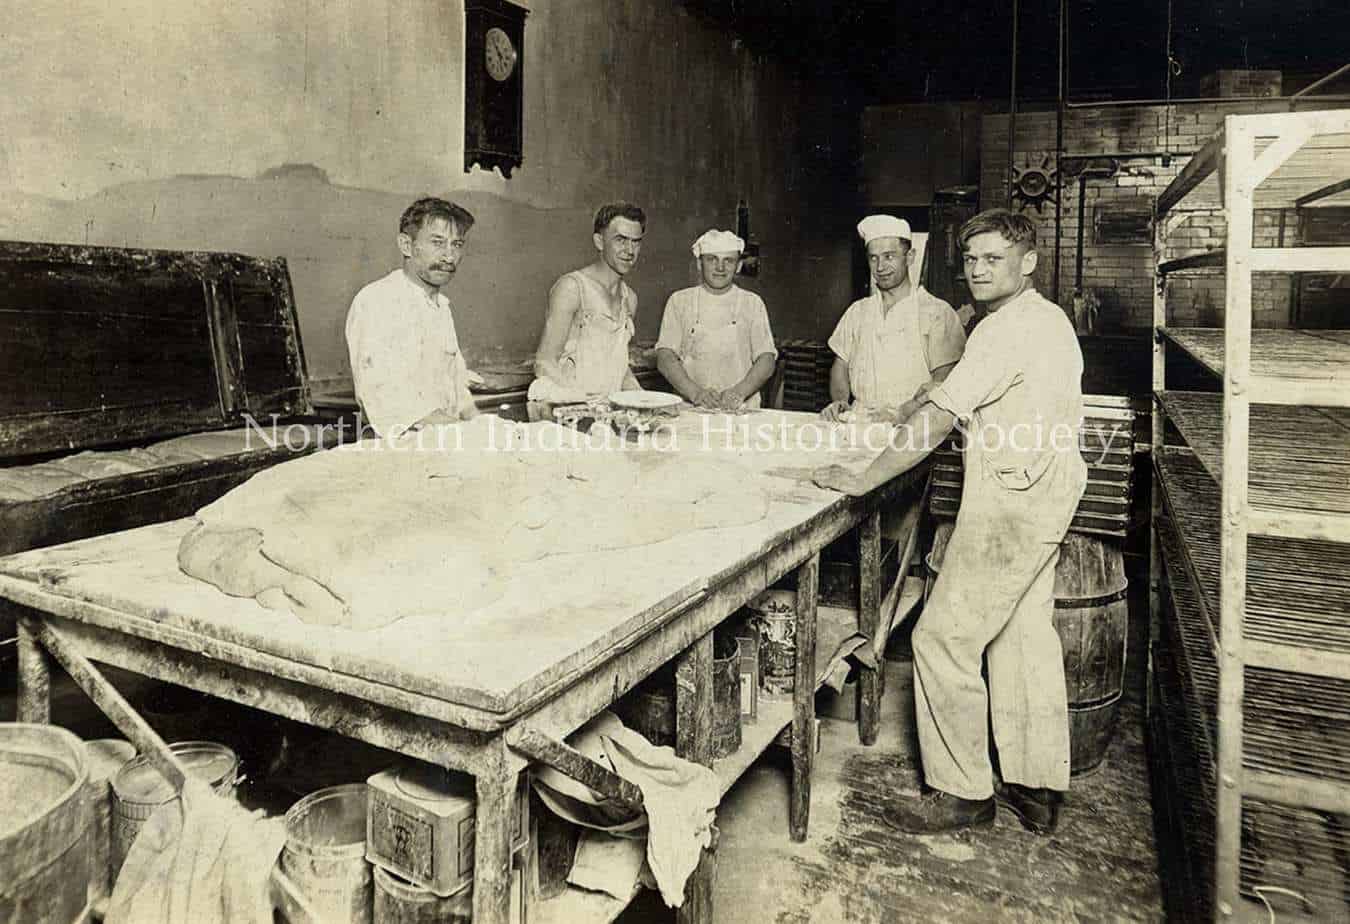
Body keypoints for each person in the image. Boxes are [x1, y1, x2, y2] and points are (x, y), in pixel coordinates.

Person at [812, 209, 1087, 836]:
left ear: (1028, 262)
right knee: (1020, 636)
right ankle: (1036, 785)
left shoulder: (1002, 331)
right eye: (972, 260)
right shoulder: (1048, 320)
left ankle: (963, 792)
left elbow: (935, 420)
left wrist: (860, 479)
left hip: (1013, 500)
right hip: (1045, 490)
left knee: (941, 639)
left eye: (995, 259)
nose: (981, 271)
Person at [345, 197, 479, 439]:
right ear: (406, 245)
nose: (449, 256)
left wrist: (488, 430)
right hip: (403, 448)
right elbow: (388, 402)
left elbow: (461, 398)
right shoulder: (377, 301)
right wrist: (470, 434)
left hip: (448, 441)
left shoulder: (441, 307)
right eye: (438, 243)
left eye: (457, 244)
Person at [821, 215, 966, 423]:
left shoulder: (937, 313)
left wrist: (902, 413)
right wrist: (840, 401)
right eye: (874, 258)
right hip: (859, 421)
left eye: (889, 256)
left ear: (909, 257)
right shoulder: (857, 312)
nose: (880, 267)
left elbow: (944, 381)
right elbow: (840, 366)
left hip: (912, 426)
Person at [528, 202, 646, 404]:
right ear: (599, 241)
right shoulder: (572, 288)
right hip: (568, 409)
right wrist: (582, 401)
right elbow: (544, 362)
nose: (629, 250)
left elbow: (618, 367)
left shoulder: (630, 299)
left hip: (605, 412)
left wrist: (645, 401)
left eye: (636, 242)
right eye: (620, 240)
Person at [655, 229, 777, 410]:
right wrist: (696, 393)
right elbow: (665, 358)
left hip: (741, 410)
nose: (720, 267)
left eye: (728, 261)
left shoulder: (752, 303)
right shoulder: (679, 301)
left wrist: (738, 392)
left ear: (738, 266)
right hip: (690, 409)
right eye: (712, 259)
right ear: (699, 263)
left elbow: (766, 359)